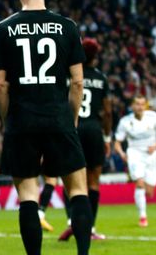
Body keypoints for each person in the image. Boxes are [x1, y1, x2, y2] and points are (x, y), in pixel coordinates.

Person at [0, 0, 93, 255]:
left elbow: (0, 85)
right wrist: (70, 119)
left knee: (28, 197)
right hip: (58, 117)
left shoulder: (3, 29)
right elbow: (77, 82)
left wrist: (7, 118)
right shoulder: (67, 27)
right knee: (77, 190)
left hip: (21, 120)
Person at [58, 37, 112, 241]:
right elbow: (107, 112)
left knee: (69, 179)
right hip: (94, 130)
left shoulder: (68, 76)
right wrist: (107, 137)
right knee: (93, 182)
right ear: (96, 56)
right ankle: (89, 229)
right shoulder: (101, 79)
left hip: (72, 128)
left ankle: (72, 222)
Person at [113, 96, 156, 227]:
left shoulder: (154, 117)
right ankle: (143, 217)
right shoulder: (125, 121)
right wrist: (123, 154)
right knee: (139, 184)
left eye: (142, 104)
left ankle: (139, 186)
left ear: (145, 106)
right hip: (134, 153)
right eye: (137, 104)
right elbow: (117, 143)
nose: (139, 107)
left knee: (150, 192)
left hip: (151, 155)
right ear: (132, 106)